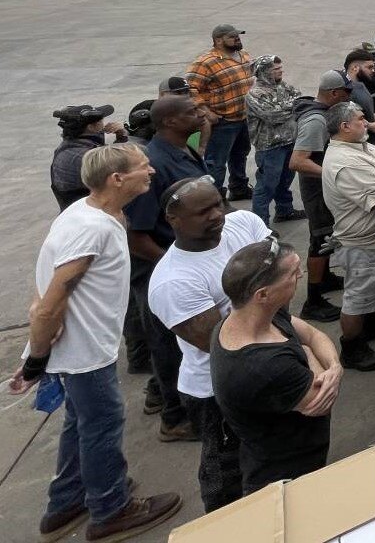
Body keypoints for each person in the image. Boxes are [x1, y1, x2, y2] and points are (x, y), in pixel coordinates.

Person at [9, 144, 185, 542]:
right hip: (83, 353)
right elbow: (49, 304)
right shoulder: (92, 228)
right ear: (117, 179)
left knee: (82, 422)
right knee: (102, 424)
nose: (151, 172)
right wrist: (36, 360)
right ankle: (110, 509)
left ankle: (67, 502)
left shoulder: (90, 213)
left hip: (86, 348)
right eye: (143, 168)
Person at [148, 176, 271, 512]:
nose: (217, 214)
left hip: (266, 360)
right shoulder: (174, 282)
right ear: (173, 220)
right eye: (203, 211)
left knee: (266, 455)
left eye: (217, 203)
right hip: (215, 389)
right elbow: (221, 342)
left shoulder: (242, 222)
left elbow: (282, 268)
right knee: (225, 468)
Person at [210, 239, 340, 495]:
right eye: (292, 274)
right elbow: (320, 402)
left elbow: (313, 335)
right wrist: (308, 354)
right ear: (263, 294)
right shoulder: (264, 366)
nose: (301, 275)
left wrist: (333, 365)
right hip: (284, 477)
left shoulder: (256, 314)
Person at [126, 95, 210, 442]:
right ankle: (174, 419)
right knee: (168, 344)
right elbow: (136, 235)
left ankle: (159, 394)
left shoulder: (184, 150)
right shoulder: (155, 164)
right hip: (159, 271)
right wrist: (173, 265)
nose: (201, 113)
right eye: (192, 112)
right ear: (170, 122)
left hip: (183, 259)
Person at [320, 101, 375, 371]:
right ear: (344, 127)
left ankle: (371, 322)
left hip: (374, 237)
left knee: (373, 288)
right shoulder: (346, 162)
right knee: (358, 296)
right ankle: (352, 348)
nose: (366, 122)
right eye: (361, 119)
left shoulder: (359, 147)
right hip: (362, 242)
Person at [288, 70, 352, 323]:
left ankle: (324, 278)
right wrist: (332, 173)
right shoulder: (315, 121)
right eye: (346, 93)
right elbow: (297, 161)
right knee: (319, 240)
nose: (348, 98)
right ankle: (313, 301)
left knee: (326, 239)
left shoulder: (324, 114)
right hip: (318, 192)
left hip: (324, 189)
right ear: (334, 93)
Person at [187, 24, 254, 200]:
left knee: (240, 155)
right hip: (223, 121)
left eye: (238, 35)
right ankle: (214, 198)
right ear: (218, 40)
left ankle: (239, 188)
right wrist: (205, 110)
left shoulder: (243, 55)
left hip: (244, 117)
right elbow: (191, 88)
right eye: (232, 36)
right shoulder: (205, 62)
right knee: (216, 162)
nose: (237, 39)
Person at [245, 55, 305, 226]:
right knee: (266, 186)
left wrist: (286, 106)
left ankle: (285, 210)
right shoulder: (255, 94)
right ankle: (260, 224)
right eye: (276, 69)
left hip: (289, 142)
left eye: (280, 68)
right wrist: (290, 107)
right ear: (264, 72)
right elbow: (272, 115)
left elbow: (301, 101)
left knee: (285, 180)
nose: (281, 72)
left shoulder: (283, 86)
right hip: (270, 147)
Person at [50, 104, 129, 210]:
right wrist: (123, 135)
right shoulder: (86, 156)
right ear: (91, 127)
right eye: (101, 121)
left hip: (76, 211)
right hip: (90, 216)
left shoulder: (69, 147)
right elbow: (123, 170)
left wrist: (120, 136)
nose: (104, 124)